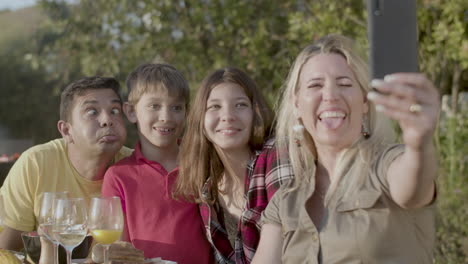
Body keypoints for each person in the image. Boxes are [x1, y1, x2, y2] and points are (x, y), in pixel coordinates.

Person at [252, 34, 439, 263]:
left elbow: (415, 189)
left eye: (344, 84)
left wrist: (419, 143)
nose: (330, 95)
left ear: (364, 102)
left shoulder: (388, 164)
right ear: (297, 104)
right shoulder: (283, 202)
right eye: (315, 85)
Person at [174, 67, 293, 264]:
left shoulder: (278, 153)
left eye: (240, 105)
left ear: (255, 113)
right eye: (214, 107)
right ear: (201, 120)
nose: (227, 116)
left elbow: (289, 242)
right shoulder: (208, 191)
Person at [0, 76, 131, 251]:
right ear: (66, 130)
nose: (107, 119)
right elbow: (7, 250)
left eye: (115, 110)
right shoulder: (36, 163)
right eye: (92, 112)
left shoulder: (136, 166)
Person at [101, 63, 213, 263]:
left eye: (176, 107)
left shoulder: (202, 162)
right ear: (131, 112)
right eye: (154, 106)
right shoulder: (119, 176)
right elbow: (118, 251)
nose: (166, 117)